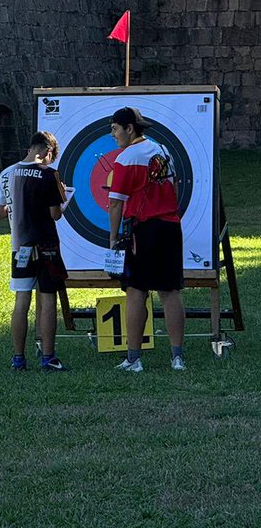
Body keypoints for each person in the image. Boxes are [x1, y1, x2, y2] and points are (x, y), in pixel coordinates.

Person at [106, 107, 186, 372]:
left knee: (136, 291)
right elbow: (173, 188)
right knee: (170, 291)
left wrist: (114, 239)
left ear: (130, 129)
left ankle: (134, 359)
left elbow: (116, 204)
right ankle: (177, 358)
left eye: (116, 129)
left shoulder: (128, 157)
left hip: (144, 230)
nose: (113, 134)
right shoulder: (162, 150)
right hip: (171, 226)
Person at [0, 131, 70, 372]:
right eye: (50, 157)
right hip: (45, 247)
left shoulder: (8, 173)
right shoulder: (49, 175)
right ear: (47, 152)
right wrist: (63, 196)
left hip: (20, 248)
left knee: (21, 301)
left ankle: (18, 358)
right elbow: (55, 214)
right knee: (47, 299)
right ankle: (48, 357)